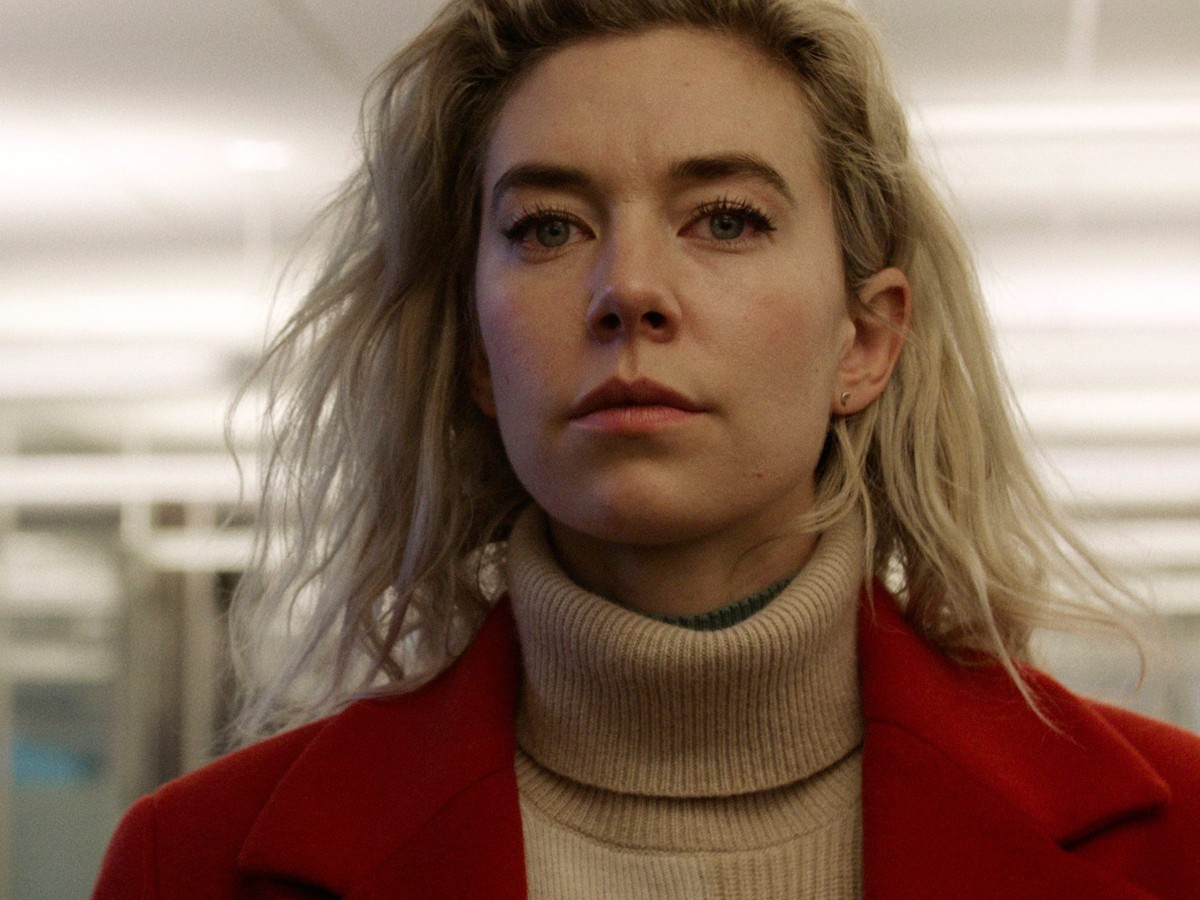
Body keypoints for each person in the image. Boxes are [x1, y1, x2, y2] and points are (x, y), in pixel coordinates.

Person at [94, 0, 1200, 897]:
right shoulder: (187, 865)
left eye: (725, 219)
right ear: (476, 354)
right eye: (548, 228)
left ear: (864, 341)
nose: (626, 288)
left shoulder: (1180, 836)